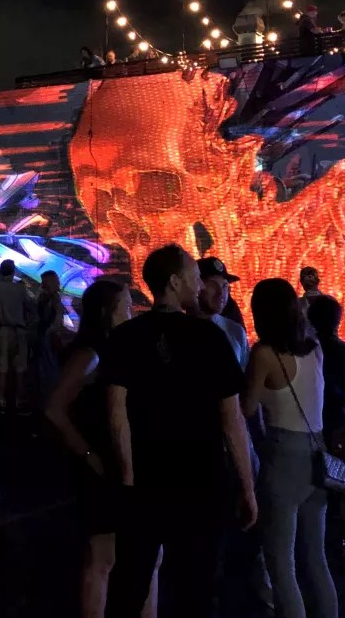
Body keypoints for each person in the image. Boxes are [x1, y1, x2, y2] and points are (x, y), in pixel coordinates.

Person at [103, 245, 257, 618]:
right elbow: (231, 418)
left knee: (131, 584)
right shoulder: (210, 338)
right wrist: (247, 486)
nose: (199, 284)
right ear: (174, 282)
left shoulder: (125, 336)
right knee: (197, 588)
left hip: (145, 481)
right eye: (194, 276)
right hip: (200, 482)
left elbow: (116, 412)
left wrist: (127, 477)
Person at [46, 279, 156, 618]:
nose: (131, 312)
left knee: (120, 553)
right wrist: (88, 454)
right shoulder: (91, 354)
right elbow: (53, 409)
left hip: (113, 460)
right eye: (126, 306)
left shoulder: (111, 349)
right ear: (108, 312)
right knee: (102, 556)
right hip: (100, 464)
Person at [243, 278, 339, 618]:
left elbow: (246, 408)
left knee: (281, 564)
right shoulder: (314, 348)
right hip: (317, 452)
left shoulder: (264, 355)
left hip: (283, 455)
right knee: (316, 559)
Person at [196, 257, 273, 614]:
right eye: (214, 284)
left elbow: (242, 395)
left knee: (240, 527)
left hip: (231, 443)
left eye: (226, 286)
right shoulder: (179, 330)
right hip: (194, 446)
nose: (222, 292)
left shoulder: (233, 331)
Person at [307, 295, 345, 574]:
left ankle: (316, 547)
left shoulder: (307, 351)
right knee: (344, 487)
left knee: (315, 487)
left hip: (312, 425)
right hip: (339, 429)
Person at [0, 259, 34, 414]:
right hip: (19, 331)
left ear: (1, 271)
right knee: (20, 368)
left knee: (2, 368)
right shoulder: (20, 288)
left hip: (3, 331)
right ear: (13, 271)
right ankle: (19, 401)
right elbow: (30, 307)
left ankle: (1, 401)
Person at [36, 270, 66, 408]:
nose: (42, 284)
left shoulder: (53, 298)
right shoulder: (49, 297)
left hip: (47, 334)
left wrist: (49, 331)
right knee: (47, 363)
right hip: (46, 333)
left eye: (44, 281)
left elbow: (57, 317)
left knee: (49, 364)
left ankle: (50, 396)